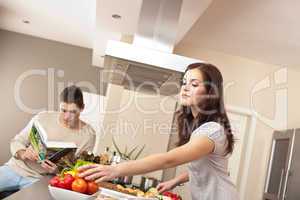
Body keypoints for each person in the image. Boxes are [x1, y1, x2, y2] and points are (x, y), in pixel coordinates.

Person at [78, 63, 239, 200]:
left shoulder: (212, 131)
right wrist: (175, 181)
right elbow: (205, 167)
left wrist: (115, 170)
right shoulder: (198, 127)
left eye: (194, 84)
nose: (185, 88)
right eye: (184, 82)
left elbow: (168, 160)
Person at [0, 85, 96, 196]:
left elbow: (79, 170)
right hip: (15, 168)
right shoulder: (43, 117)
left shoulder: (89, 134)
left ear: (82, 108)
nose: (66, 117)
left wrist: (58, 171)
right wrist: (23, 153)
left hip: (40, 179)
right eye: (63, 110)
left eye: (72, 112)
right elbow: (16, 141)